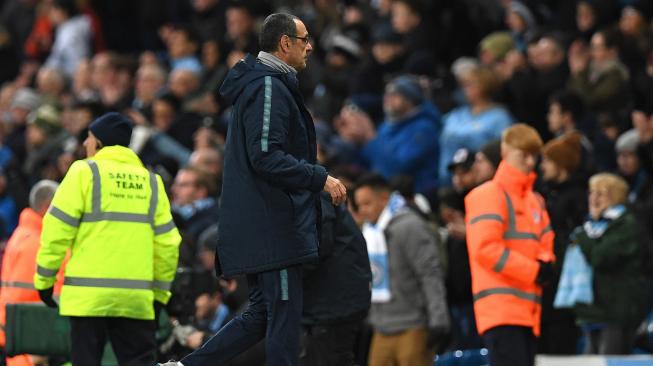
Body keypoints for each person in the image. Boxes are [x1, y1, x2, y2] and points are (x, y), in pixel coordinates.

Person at [161, 13, 347, 366]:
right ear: (285, 43)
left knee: (262, 314)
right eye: (304, 39)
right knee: (284, 319)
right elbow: (265, 156)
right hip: (273, 227)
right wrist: (318, 177)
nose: (310, 46)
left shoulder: (269, 85)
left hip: (265, 222)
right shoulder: (268, 87)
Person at [33, 112, 182, 366]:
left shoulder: (83, 172)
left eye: (89, 137)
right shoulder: (152, 182)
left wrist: (45, 281)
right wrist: (159, 296)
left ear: (99, 142)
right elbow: (167, 245)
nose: (84, 144)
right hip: (136, 301)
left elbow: (56, 229)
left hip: (88, 300)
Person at [465, 124, 555, 366]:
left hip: (529, 311)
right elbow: (485, 249)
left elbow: (546, 241)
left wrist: (546, 262)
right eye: (522, 154)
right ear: (505, 152)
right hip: (500, 310)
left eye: (534, 155)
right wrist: (535, 271)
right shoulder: (487, 194)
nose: (529, 161)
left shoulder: (536, 201)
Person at [355, 174, 449, 366]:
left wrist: (438, 318)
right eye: (359, 206)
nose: (363, 211)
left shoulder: (409, 226)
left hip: (413, 327)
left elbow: (429, 273)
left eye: (367, 203)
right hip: (381, 328)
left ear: (384, 199)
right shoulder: (370, 232)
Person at [571, 173, 649, 354]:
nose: (594, 198)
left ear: (615, 196)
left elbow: (601, 257)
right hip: (591, 309)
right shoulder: (590, 224)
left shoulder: (625, 224)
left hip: (617, 309)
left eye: (601, 193)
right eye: (592, 192)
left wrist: (583, 237)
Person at [300, 192, 372, 366]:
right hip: (330, 304)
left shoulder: (310, 194)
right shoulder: (307, 192)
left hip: (333, 306)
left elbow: (314, 249)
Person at [0, 180, 60, 366]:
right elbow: (25, 297)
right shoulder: (37, 244)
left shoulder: (23, 234)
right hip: (27, 344)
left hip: (13, 334)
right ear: (48, 207)